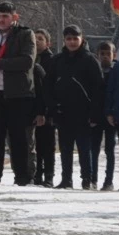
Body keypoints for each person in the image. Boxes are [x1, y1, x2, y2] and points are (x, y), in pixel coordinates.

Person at [0, 4, 37, 186]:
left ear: (14, 17)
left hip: (17, 95)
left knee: (18, 139)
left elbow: (27, 60)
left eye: (5, 16)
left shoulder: (24, 34)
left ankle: (22, 176)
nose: (1, 20)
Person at [46, 26, 103, 189]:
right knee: (65, 149)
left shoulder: (90, 60)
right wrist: (52, 107)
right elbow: (48, 86)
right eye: (68, 39)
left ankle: (87, 179)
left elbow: (98, 88)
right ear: (64, 40)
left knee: (85, 149)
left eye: (75, 38)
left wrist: (94, 113)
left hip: (83, 113)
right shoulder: (57, 61)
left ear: (81, 39)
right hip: (62, 111)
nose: (72, 42)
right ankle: (66, 179)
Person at [30, 39, 58, 187]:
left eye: (41, 38)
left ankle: (49, 175)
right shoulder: (30, 58)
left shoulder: (52, 61)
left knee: (48, 145)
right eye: (35, 38)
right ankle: (37, 174)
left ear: (48, 43)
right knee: (36, 145)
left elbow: (47, 89)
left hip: (47, 110)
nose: (37, 41)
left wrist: (47, 111)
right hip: (32, 109)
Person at [94, 39, 119, 189]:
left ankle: (108, 180)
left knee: (110, 150)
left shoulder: (116, 72)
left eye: (107, 54)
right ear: (97, 55)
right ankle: (93, 179)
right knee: (94, 148)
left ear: (114, 55)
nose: (105, 56)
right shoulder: (94, 71)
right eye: (102, 54)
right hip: (97, 116)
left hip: (111, 117)